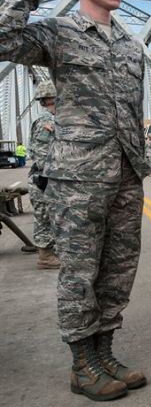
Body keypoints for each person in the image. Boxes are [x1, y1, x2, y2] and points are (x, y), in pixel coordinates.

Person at [0, 0, 149, 401]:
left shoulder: (130, 45)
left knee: (118, 269)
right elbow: (3, 41)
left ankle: (105, 352)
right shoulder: (59, 32)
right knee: (80, 271)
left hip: (126, 173)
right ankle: (82, 364)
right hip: (79, 175)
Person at [27, 80, 60, 270]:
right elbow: (41, 154)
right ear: (50, 99)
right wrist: (49, 177)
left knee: (50, 216)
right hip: (42, 179)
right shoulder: (46, 121)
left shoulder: (51, 118)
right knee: (44, 218)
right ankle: (45, 257)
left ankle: (51, 252)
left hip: (46, 177)